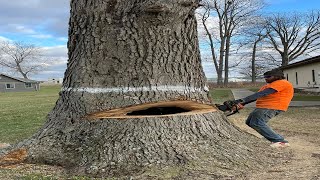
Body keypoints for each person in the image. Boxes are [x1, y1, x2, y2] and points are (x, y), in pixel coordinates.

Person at [228, 69, 294, 148]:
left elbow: (263, 93)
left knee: (257, 123)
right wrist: (240, 104)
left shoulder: (282, 83)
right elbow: (256, 96)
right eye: (265, 77)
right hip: (263, 106)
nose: (266, 78)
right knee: (249, 122)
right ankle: (272, 136)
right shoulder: (268, 85)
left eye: (268, 76)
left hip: (271, 106)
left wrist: (241, 100)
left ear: (277, 76)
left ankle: (280, 141)